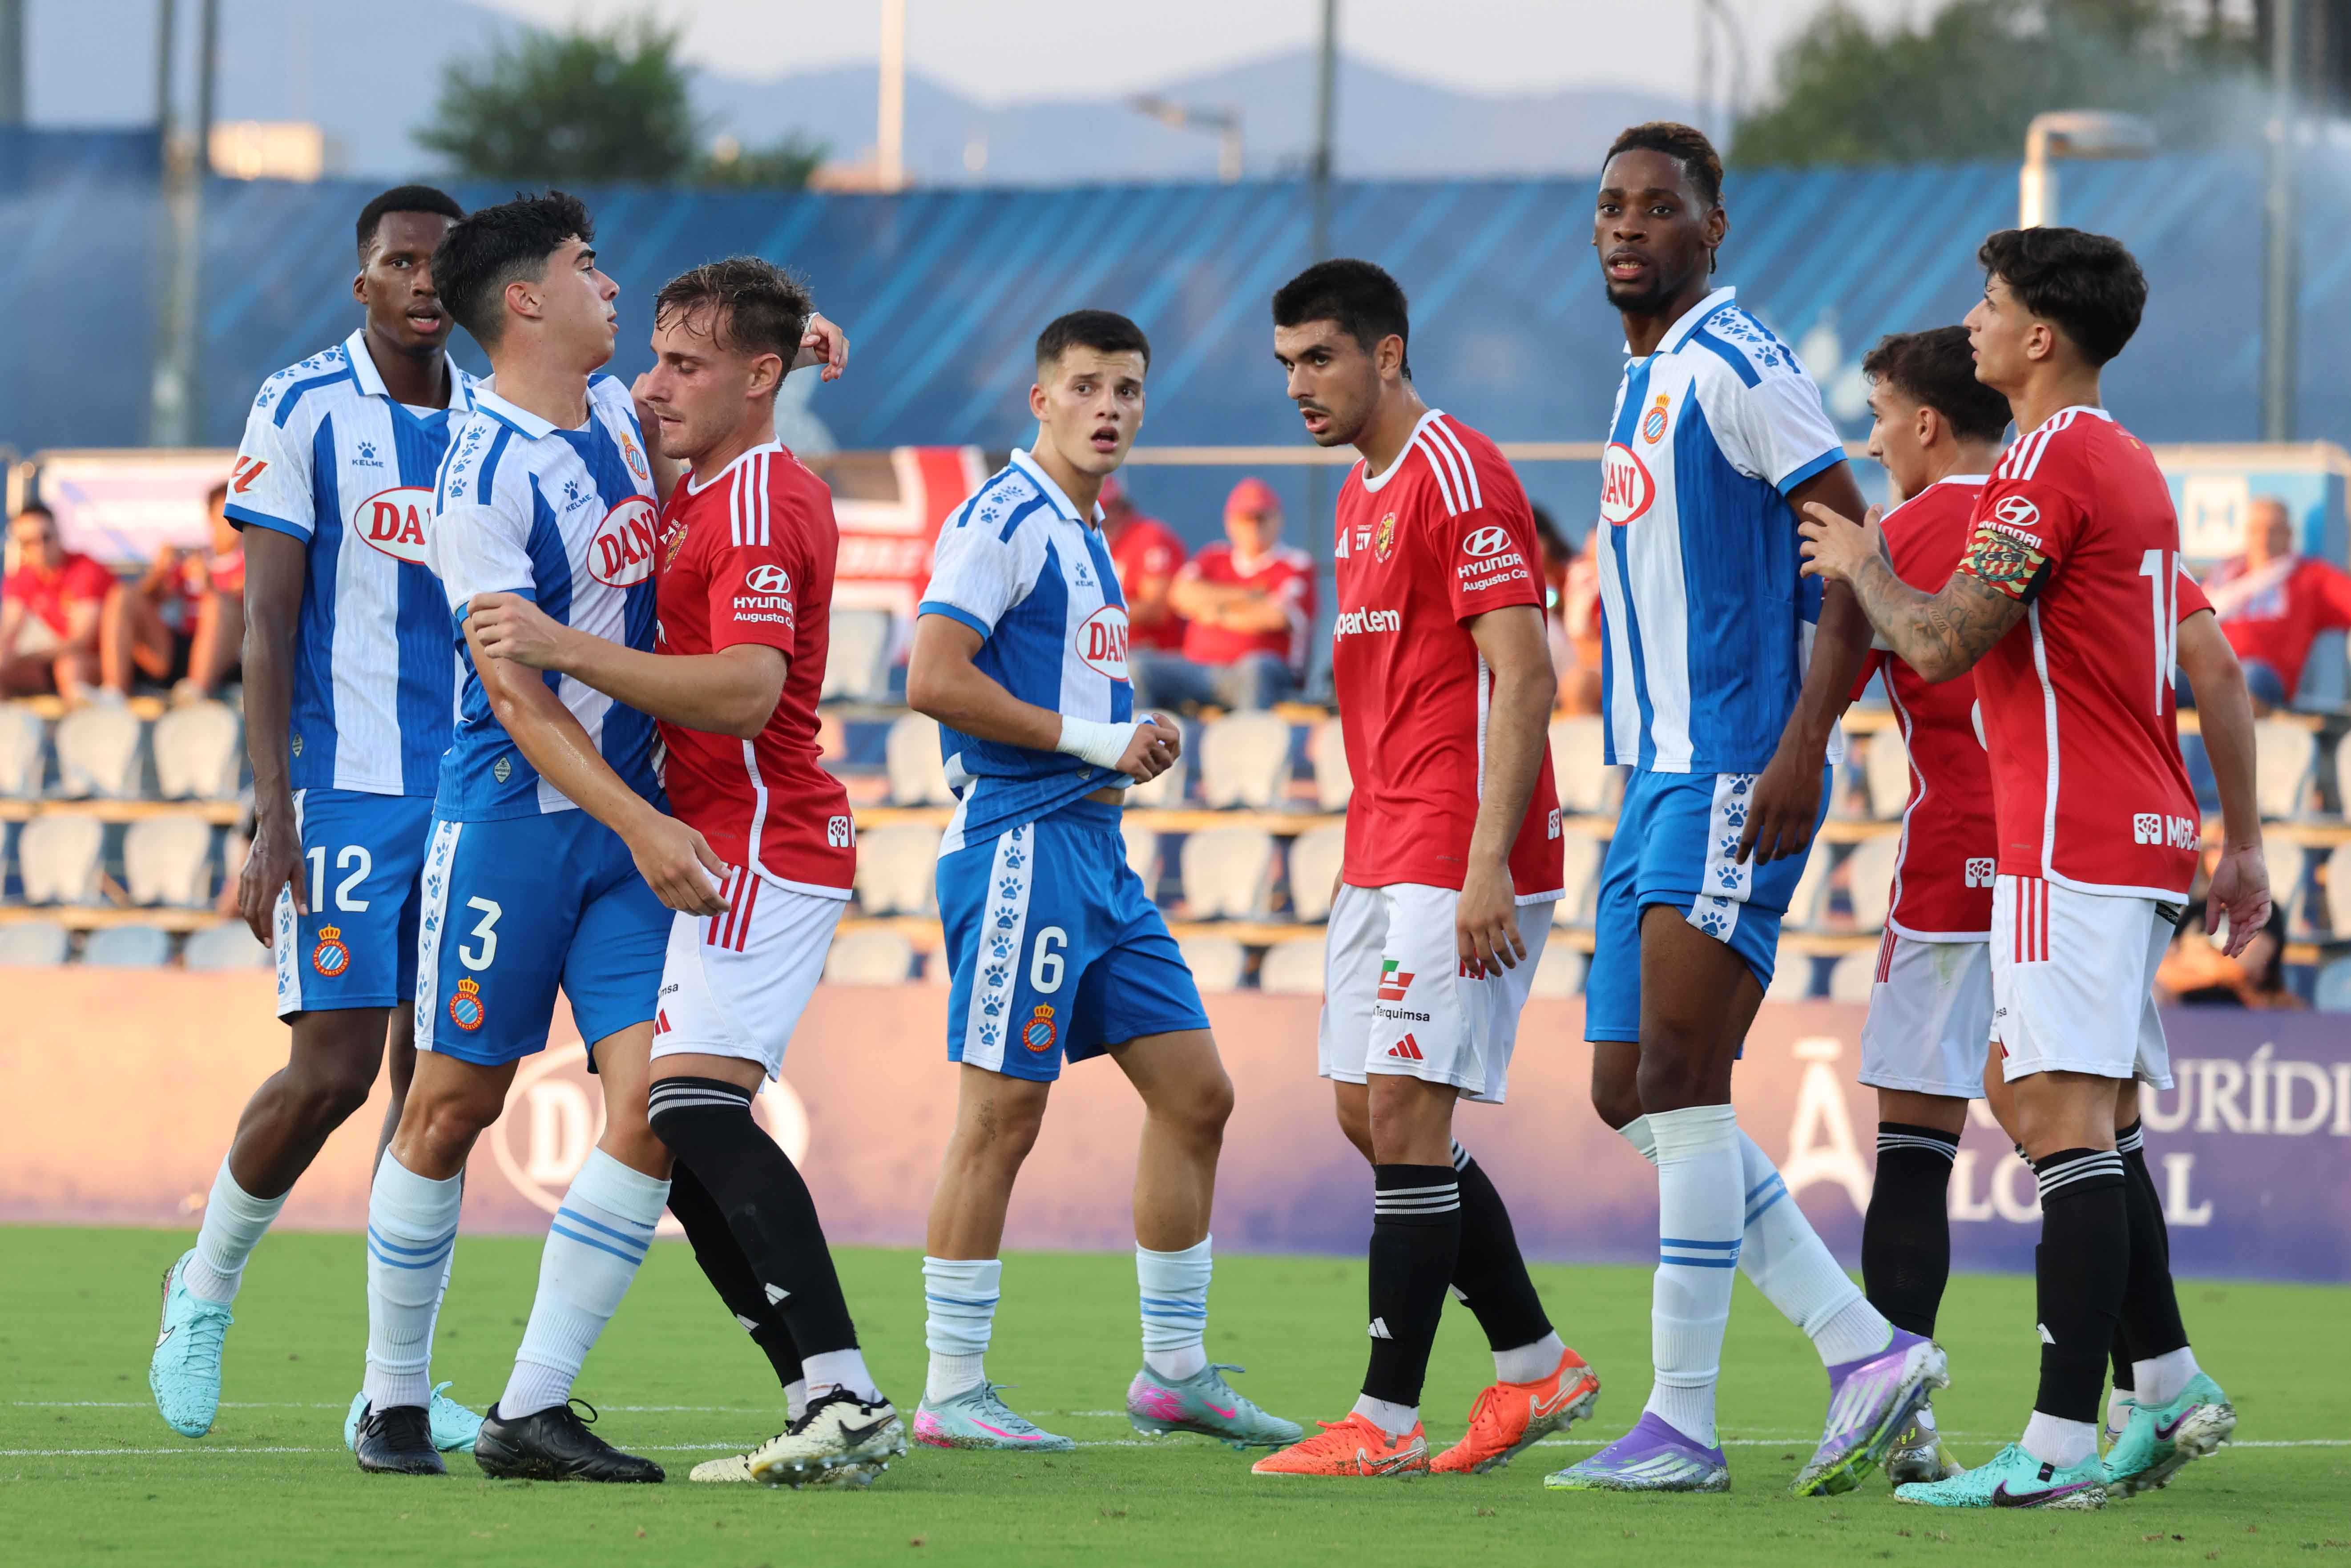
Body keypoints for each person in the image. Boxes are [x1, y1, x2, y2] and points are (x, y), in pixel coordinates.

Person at [1800, 224, 2270, 1510]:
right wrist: (2243, 841)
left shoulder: (2046, 465)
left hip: (2069, 831)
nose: (1971, 320)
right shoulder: (2126, 460)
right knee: (2063, 1100)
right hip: (2122, 831)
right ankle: (2162, 1379)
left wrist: (1863, 563)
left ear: (2039, 337)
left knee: (2056, 1120)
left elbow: (1945, 641)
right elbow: (2204, 664)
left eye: (1990, 302)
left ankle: (2052, 1449)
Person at [464, 255, 906, 1487]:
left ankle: (844, 1386)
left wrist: (559, 649)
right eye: (655, 356)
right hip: (722, 838)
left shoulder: (760, 500)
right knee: (675, 1119)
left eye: (685, 366)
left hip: (761, 841)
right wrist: (787, 333)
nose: (653, 386)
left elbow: (750, 685)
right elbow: (703, 372)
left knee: (696, 1109)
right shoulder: (711, 479)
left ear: (756, 381)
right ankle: (827, 1387)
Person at [1555, 122, 1935, 1499]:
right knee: (1625, 1086)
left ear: (1714, 229)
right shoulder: (1644, 372)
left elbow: (1856, 549)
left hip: (1732, 763)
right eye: (1609, 207)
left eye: (1657, 208)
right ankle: (1862, 1346)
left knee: (1678, 1076)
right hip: (1650, 774)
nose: (1626, 227)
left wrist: (1799, 741)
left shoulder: (1735, 360)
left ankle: (1684, 1420)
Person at [903, 309, 1299, 1455]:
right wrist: (1093, 737)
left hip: (1097, 855)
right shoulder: (1003, 517)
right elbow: (933, 675)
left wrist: (1131, 734)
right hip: (1022, 842)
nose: (1111, 408)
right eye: (1086, 387)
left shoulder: (1089, 531)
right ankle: (953, 1388)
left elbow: (1077, 704)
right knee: (1002, 1115)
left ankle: (1174, 1370)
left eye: (1128, 388)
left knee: (1197, 1093)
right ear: (1042, 401)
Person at [352, 190, 692, 1482]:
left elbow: (706, 390)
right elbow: (519, 693)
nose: (614, 284)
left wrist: (793, 330)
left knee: (656, 1100)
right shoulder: (478, 476)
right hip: (513, 822)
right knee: (450, 1106)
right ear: (526, 302)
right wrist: (642, 817)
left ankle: (533, 1405)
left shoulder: (615, 407)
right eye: (588, 265)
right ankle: (392, 1396)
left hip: (626, 830)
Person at [147, 186, 492, 1453]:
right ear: (364, 282)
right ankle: (205, 1286)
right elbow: (267, 624)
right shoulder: (301, 408)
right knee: (335, 1070)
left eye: (438, 265)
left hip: (475, 786)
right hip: (345, 785)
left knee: (437, 1086)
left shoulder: (496, 417)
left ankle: (390, 1381)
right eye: (398, 263)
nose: (418, 282)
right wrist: (270, 816)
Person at [1249, 260, 1599, 1481]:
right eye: (1286, 361)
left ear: (1387, 353)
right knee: (1369, 1113)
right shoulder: (1358, 493)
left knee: (1403, 1111)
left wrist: (1485, 864)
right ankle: (1533, 1362)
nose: (1298, 382)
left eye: (1321, 357)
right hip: (1380, 837)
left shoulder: (1458, 472)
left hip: (1457, 848)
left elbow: (1530, 672)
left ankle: (1382, 1420)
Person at [1130, 476, 1313, 712]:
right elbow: (1179, 594)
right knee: (1138, 667)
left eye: (1261, 518)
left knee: (1255, 669)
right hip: (1197, 667)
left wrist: (1211, 610)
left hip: (1258, 671)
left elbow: (1275, 616)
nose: (1254, 527)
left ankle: (1249, 745)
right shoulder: (1213, 557)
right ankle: (1143, 743)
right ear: (1230, 523)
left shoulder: (1295, 564)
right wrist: (1251, 595)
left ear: (1278, 520)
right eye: (1246, 519)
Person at [2195, 495, 2351, 710]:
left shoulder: (2310, 577)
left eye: (2274, 531)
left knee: (2241, 680)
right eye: (2257, 531)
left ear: (2289, 535)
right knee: (2160, 679)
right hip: (2205, 667)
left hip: (2260, 677)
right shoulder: (2224, 575)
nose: (2264, 540)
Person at [100, 481, 243, 702]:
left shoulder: (255, 562)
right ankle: (113, 695)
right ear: (211, 520)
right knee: (122, 595)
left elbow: (246, 606)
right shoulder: (192, 558)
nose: (232, 526)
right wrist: (157, 574)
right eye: (226, 518)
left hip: (228, 655)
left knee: (215, 603)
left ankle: (196, 694)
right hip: (178, 649)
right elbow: (146, 601)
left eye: (238, 518)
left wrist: (209, 585)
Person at [0, 502, 108, 701]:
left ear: (58, 534)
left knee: (69, 667)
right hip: (56, 661)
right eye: (29, 542)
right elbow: (8, 629)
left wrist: (25, 657)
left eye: (45, 538)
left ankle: (81, 729)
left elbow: (81, 641)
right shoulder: (22, 577)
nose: (39, 547)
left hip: (102, 663)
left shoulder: (85, 570)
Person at [1102, 474, 1186, 653]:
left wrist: (1094, 615)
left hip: (1154, 651)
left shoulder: (1150, 537)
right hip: (1107, 649)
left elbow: (1157, 609)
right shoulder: (1094, 544)